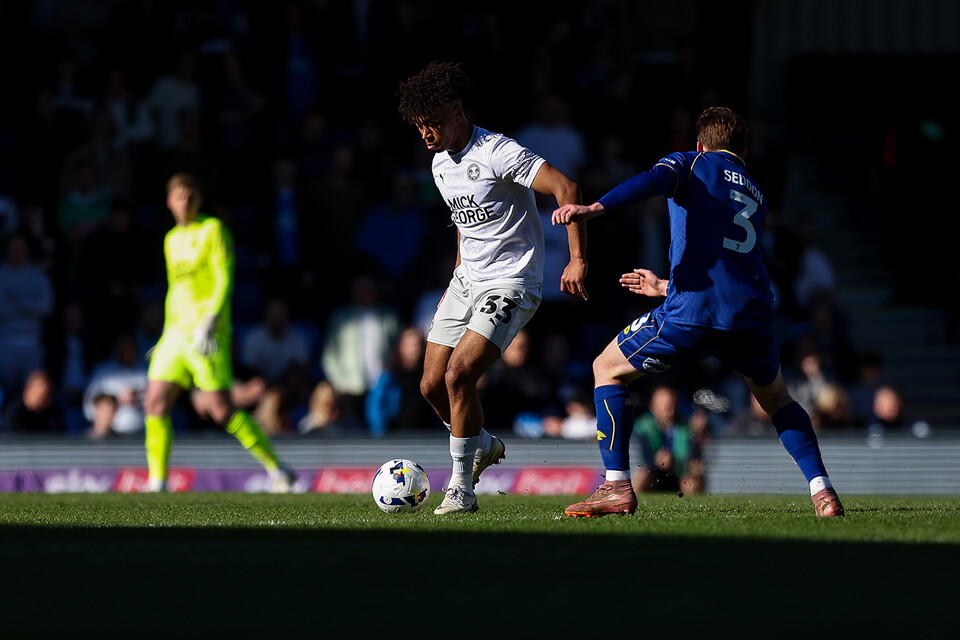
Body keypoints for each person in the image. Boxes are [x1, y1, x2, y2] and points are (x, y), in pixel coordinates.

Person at [553, 106, 845, 518]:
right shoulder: (756, 193)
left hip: (695, 311)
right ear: (744, 151)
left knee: (607, 368)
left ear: (700, 144)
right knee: (778, 398)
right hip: (750, 315)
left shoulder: (691, 163)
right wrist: (663, 287)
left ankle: (616, 486)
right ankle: (823, 492)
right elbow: (729, 268)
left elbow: (652, 180)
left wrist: (595, 208)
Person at [396, 61, 589, 514]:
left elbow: (566, 187)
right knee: (430, 385)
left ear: (457, 112)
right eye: (419, 126)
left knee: (459, 375)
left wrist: (578, 258)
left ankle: (461, 488)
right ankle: (481, 443)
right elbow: (464, 227)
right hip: (466, 281)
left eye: (432, 123)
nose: (425, 134)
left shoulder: (497, 152)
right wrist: (456, 278)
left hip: (511, 281)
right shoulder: (439, 163)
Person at [143, 173, 296, 493]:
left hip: (207, 333)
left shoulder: (213, 230)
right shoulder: (171, 239)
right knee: (154, 402)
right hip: (176, 334)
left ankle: (277, 467)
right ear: (169, 202)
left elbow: (224, 279)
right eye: (179, 195)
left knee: (221, 410)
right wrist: (165, 334)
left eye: (190, 195)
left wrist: (209, 322)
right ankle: (158, 481)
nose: (185, 201)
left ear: (198, 198)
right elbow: (175, 289)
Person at [632, 385, 707, 495]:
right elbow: (642, 458)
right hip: (654, 474)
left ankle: (691, 504)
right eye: (665, 406)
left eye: (673, 404)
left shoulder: (688, 426)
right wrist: (656, 462)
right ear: (653, 406)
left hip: (680, 473)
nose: (671, 409)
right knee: (642, 473)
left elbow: (693, 456)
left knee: (695, 476)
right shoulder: (642, 427)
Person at [83, 334, 149, 436]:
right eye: (124, 346)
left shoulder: (145, 372)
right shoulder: (103, 372)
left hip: (142, 433)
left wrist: (139, 398)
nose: (128, 351)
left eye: (131, 347)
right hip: (109, 436)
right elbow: (88, 408)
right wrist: (118, 400)